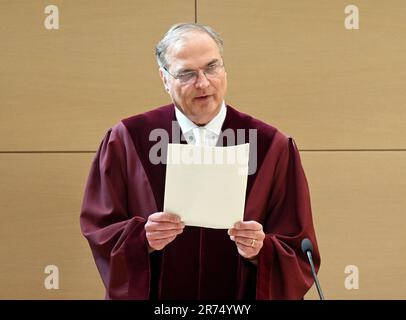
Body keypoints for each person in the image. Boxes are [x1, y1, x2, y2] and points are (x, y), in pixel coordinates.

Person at [80, 23, 321, 300]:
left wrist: (262, 250)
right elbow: (100, 228)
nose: (203, 83)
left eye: (212, 67)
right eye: (186, 73)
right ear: (164, 78)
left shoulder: (271, 146)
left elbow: (299, 247)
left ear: (225, 69)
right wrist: (141, 238)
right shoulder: (127, 140)